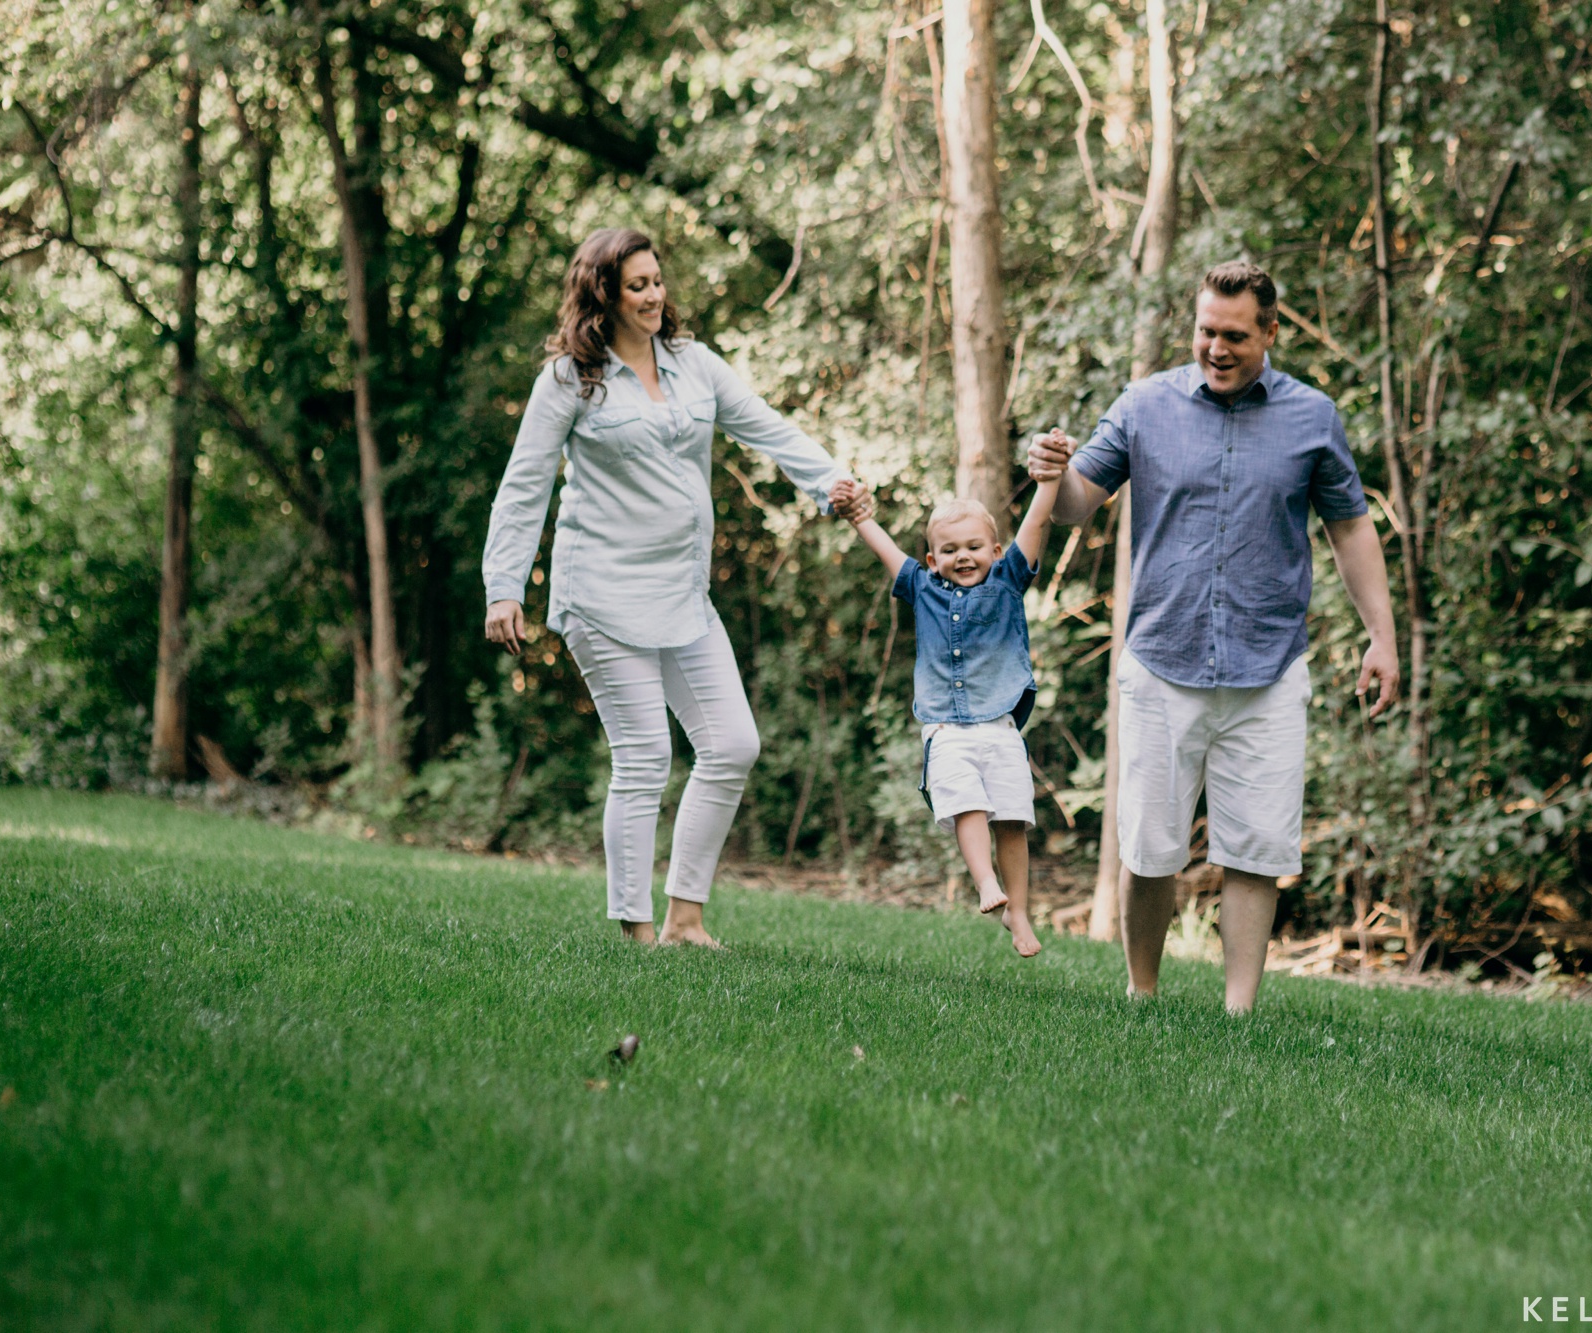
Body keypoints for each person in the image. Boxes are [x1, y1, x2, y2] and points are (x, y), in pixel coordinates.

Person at [1026, 260, 1401, 1013]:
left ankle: (1239, 1012)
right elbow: (1076, 503)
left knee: (1257, 849)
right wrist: (1049, 473)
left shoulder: (1311, 416)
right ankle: (1143, 994)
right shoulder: (1144, 404)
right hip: (1163, 661)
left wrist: (1381, 639)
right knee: (1150, 847)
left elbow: (1351, 527)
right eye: (1206, 331)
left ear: (1270, 331)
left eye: (1235, 334)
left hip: (1269, 667)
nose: (1217, 348)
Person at [482, 227, 865, 948]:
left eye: (658, 281)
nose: (655, 295)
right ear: (604, 294)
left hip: (682, 594)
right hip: (602, 592)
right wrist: (505, 588)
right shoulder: (570, 379)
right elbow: (525, 483)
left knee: (733, 744)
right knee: (645, 757)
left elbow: (768, 429)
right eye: (638, 285)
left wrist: (829, 481)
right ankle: (635, 931)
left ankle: (685, 919)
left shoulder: (694, 365)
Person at [829, 476, 1061, 957]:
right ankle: (985, 883)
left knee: (1013, 820)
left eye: (975, 546)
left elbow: (1036, 521)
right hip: (945, 728)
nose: (963, 556)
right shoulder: (923, 587)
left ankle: (1018, 911)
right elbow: (886, 548)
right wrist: (858, 515)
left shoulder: (1008, 581)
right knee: (965, 804)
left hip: (1001, 727)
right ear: (933, 560)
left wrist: (1050, 480)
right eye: (950, 550)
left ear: (996, 551)